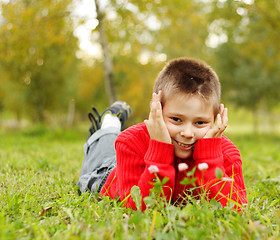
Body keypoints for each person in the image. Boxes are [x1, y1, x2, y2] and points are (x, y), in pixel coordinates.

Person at [77, 57, 247, 211]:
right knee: (103, 151)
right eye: (176, 119)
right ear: (156, 109)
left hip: (143, 161)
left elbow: (235, 207)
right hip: (109, 174)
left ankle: (111, 124)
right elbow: (141, 208)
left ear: (216, 118)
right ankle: (109, 122)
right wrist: (160, 147)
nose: (188, 133)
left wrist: (210, 155)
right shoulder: (130, 142)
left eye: (200, 122)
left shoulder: (227, 154)